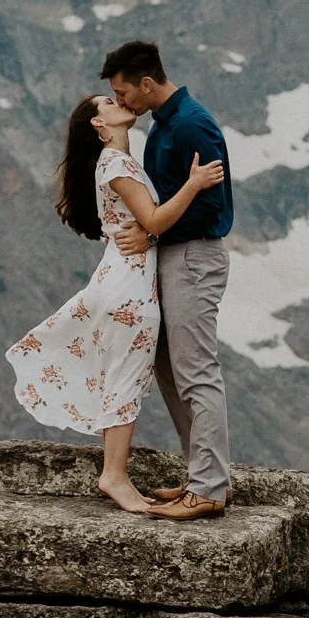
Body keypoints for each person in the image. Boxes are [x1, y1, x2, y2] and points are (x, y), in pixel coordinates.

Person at [6, 95, 225, 515]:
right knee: (126, 378)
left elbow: (144, 224)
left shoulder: (117, 161)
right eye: (108, 101)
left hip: (123, 279)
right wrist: (194, 184)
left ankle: (119, 473)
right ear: (98, 123)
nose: (119, 100)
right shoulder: (117, 164)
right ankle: (114, 475)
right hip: (130, 288)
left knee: (122, 374)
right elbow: (154, 221)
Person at [102, 40, 237, 521]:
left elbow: (211, 206)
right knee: (168, 367)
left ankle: (209, 488)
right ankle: (203, 473)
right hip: (174, 255)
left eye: (123, 92)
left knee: (196, 370)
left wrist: (152, 230)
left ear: (146, 83)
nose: (121, 102)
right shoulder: (163, 124)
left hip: (194, 257)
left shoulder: (190, 124)